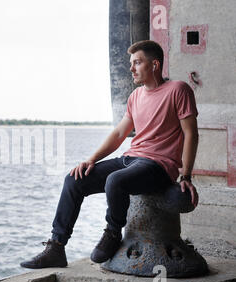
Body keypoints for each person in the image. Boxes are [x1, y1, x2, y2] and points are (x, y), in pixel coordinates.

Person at [20, 40, 199, 269]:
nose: (132, 68)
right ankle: (56, 247)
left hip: (158, 165)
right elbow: (118, 133)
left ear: (154, 65)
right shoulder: (135, 97)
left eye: (137, 62)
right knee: (74, 180)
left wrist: (186, 175)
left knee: (116, 180)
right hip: (130, 159)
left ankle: (113, 233)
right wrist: (91, 160)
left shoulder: (178, 90)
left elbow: (191, 133)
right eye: (131, 63)